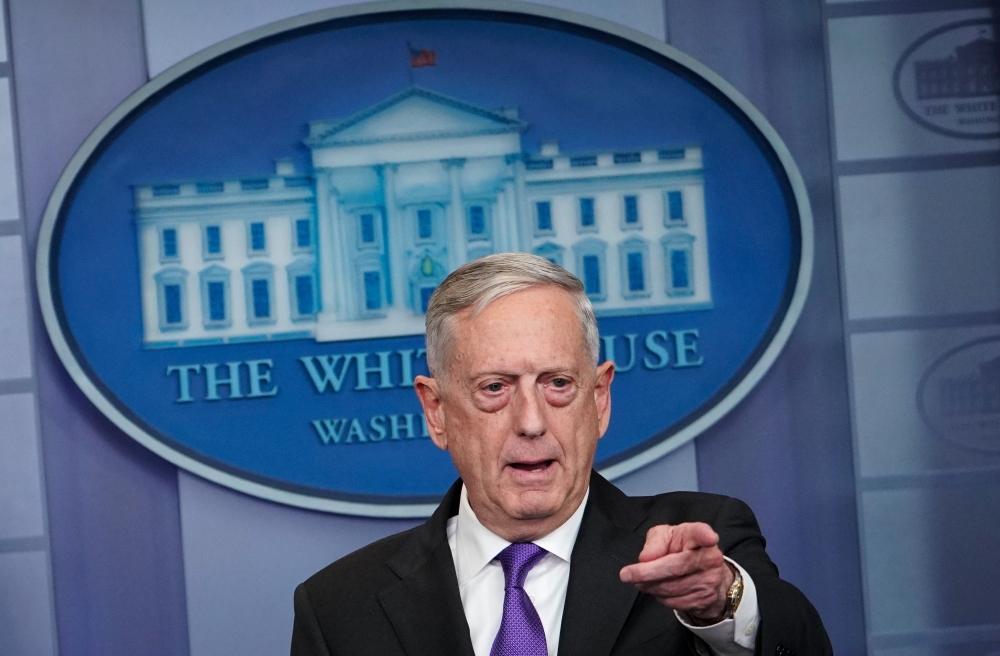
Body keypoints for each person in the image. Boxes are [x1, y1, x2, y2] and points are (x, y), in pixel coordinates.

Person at [291, 253, 830, 656]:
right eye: (495, 387)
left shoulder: (699, 541)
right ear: (437, 411)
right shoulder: (341, 606)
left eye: (557, 384)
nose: (531, 422)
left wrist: (721, 602)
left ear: (599, 399)